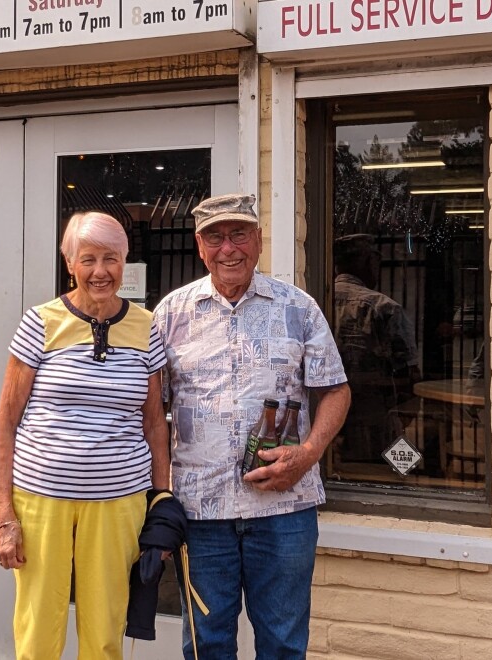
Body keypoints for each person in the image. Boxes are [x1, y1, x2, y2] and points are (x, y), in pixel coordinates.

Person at [152, 193, 351, 660]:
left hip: (285, 511)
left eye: (239, 234)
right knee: (207, 645)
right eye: (215, 237)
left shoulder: (298, 308)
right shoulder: (170, 315)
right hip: (200, 514)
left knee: (283, 643)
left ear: (258, 239)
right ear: (199, 247)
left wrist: (308, 453)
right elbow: (150, 416)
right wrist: (158, 498)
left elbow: (336, 391)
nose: (228, 249)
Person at [0, 211, 170, 660]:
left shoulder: (148, 327)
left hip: (118, 501)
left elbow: (154, 422)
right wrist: (4, 517)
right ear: (69, 263)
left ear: (125, 262)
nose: (100, 271)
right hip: (41, 499)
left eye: (111, 258)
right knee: (38, 628)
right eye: (87, 258)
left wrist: (163, 502)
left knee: (106, 627)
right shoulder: (41, 322)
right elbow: (6, 420)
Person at [332, 234, 420, 463]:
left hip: (324, 415)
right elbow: (410, 374)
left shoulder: (314, 302)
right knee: (398, 470)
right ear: (369, 262)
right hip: (374, 415)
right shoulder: (383, 307)